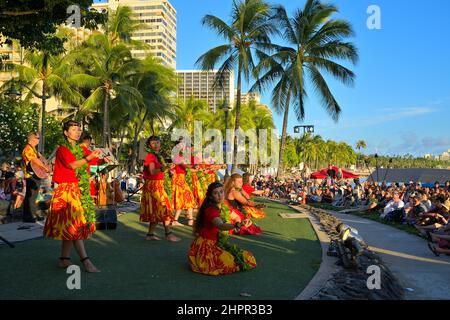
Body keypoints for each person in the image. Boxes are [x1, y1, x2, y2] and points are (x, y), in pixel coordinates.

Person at [43, 120, 101, 273]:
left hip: (76, 190)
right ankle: (86, 261)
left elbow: (94, 161)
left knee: (72, 227)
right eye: (74, 129)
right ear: (66, 132)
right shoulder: (62, 149)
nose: (77, 132)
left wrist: (100, 157)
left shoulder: (80, 149)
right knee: (74, 226)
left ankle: (64, 259)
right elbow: (72, 165)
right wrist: (89, 158)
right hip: (66, 192)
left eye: (78, 129)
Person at [188, 182, 257, 275]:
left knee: (246, 256)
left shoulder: (223, 205)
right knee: (229, 262)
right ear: (211, 197)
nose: (220, 195)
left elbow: (235, 216)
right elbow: (220, 225)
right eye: (216, 193)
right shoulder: (211, 210)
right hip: (206, 246)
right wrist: (236, 225)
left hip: (217, 242)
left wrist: (243, 222)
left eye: (221, 192)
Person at [140, 136, 180, 242]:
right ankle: (168, 234)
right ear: (149, 145)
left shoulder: (156, 156)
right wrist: (165, 168)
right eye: (153, 143)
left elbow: (158, 171)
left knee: (157, 211)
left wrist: (167, 169)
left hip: (158, 185)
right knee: (165, 208)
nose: (156, 145)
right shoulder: (150, 156)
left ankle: (150, 234)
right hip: (153, 187)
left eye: (157, 142)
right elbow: (152, 171)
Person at [22, 132, 49, 222]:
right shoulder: (28, 149)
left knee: (34, 196)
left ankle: (33, 214)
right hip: (30, 175)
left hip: (35, 174)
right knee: (30, 196)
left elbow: (40, 158)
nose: (38, 140)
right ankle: (28, 216)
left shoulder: (33, 149)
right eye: (37, 138)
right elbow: (34, 160)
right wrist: (44, 167)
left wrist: (45, 162)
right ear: (32, 138)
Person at [171, 138, 196, 226]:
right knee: (182, 199)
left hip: (182, 179)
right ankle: (176, 220)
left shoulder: (183, 155)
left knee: (188, 198)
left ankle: (190, 220)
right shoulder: (176, 155)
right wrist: (193, 166)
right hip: (178, 179)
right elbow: (184, 165)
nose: (184, 145)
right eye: (182, 144)